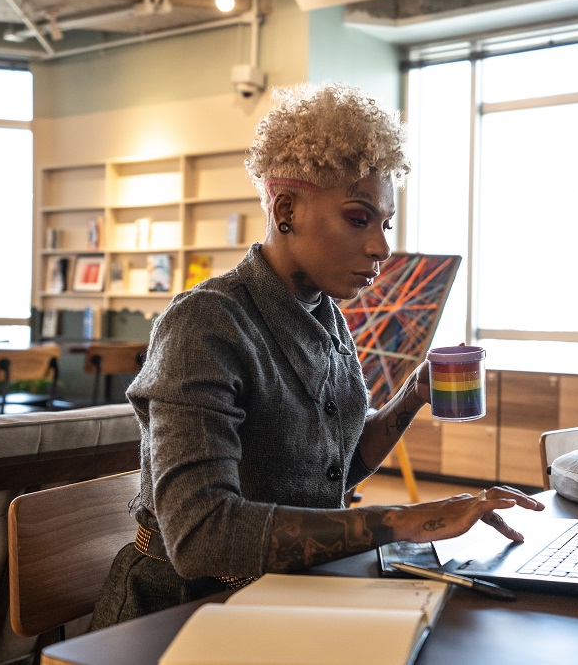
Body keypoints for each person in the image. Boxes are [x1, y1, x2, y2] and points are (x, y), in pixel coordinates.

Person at [90, 82, 544, 629]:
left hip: (281, 593)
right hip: (181, 612)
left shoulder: (324, 315)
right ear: (285, 209)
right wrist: (401, 521)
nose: (381, 247)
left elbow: (330, 472)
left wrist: (413, 396)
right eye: (360, 218)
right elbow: (202, 536)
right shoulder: (206, 324)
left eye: (385, 224)